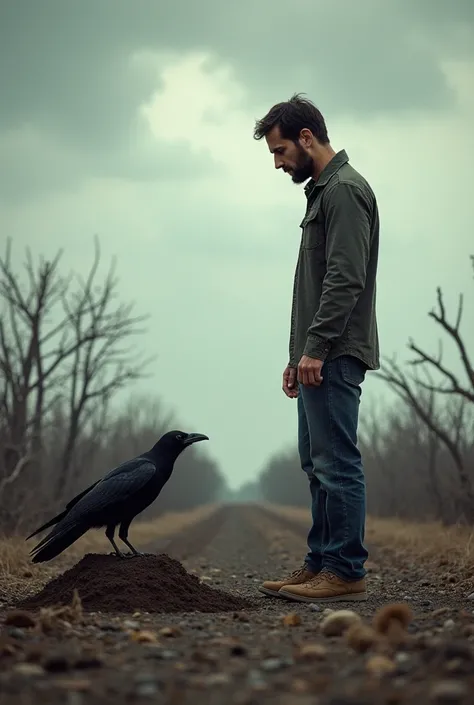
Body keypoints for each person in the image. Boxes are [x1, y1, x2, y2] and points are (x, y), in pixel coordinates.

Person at [254, 94, 380, 603]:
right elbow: (314, 285)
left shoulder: (345, 191)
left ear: (307, 138)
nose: (279, 163)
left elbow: (344, 279)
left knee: (337, 463)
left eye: (280, 151)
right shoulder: (323, 193)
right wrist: (296, 355)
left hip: (335, 352)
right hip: (316, 355)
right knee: (316, 462)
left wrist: (318, 347)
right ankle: (321, 563)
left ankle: (345, 571)